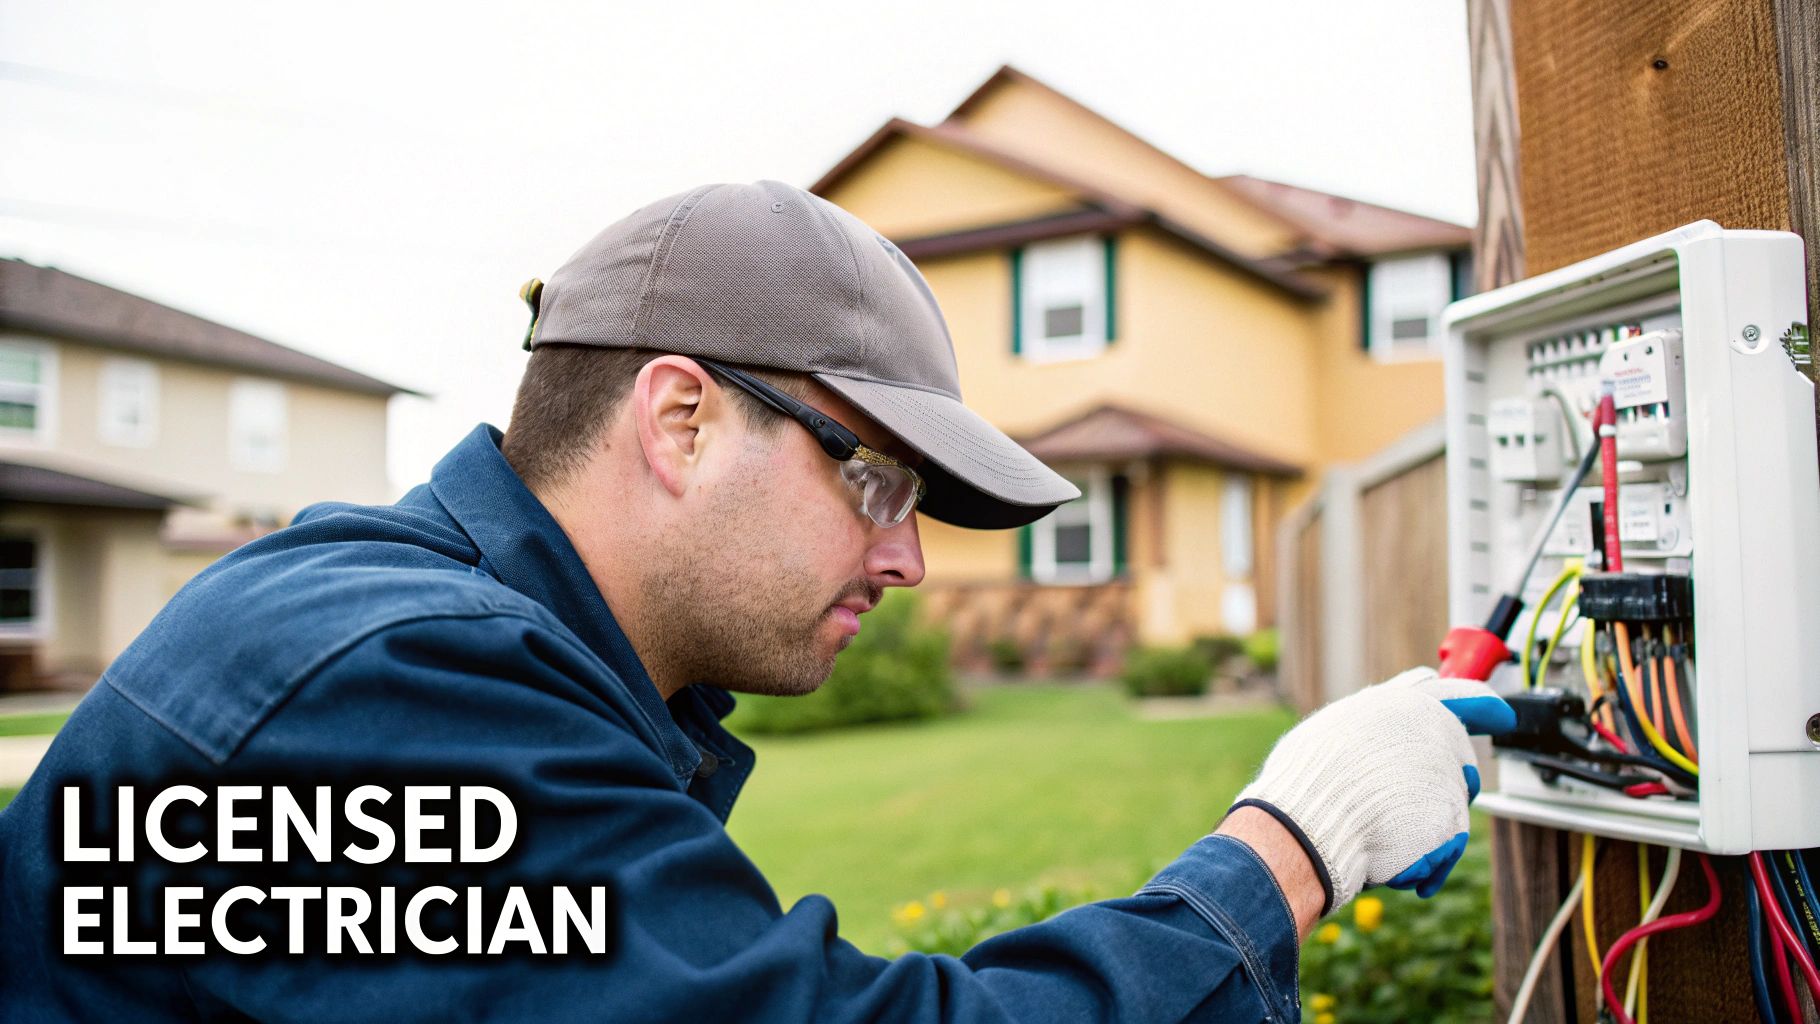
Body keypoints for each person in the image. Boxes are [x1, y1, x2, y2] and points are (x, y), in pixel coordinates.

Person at [0, 180, 1512, 1022]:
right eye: (876, 481)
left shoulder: (408, 629)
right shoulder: (387, 691)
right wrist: (1296, 844)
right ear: (680, 421)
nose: (909, 558)